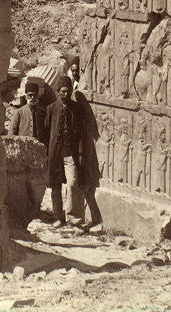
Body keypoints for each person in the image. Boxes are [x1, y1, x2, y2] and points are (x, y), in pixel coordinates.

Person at [45, 76, 102, 229]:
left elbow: (82, 133)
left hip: (71, 153)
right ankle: (59, 217)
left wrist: (81, 153)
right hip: (55, 153)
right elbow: (47, 131)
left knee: (71, 184)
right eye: (63, 91)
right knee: (55, 186)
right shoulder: (51, 109)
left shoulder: (76, 109)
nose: (66, 94)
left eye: (68, 91)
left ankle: (71, 217)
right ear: (58, 91)